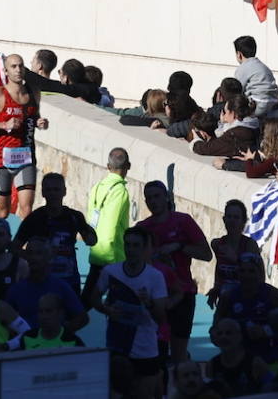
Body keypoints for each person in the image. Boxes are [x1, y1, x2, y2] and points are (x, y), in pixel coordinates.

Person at [136, 180, 211, 362]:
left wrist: (178, 247)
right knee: (154, 353)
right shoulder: (142, 229)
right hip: (154, 297)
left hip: (182, 293)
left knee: (178, 353)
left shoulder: (183, 221)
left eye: (157, 196)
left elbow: (206, 254)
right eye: (149, 198)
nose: (153, 201)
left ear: (167, 198)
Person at [91, 227, 169, 399]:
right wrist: (106, 309)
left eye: (135, 245)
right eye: (128, 245)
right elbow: (94, 299)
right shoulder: (110, 272)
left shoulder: (155, 277)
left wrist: (148, 302)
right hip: (117, 346)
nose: (131, 250)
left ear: (143, 248)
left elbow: (161, 318)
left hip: (145, 349)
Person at [0, 53, 49, 219]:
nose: (18, 70)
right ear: (6, 72)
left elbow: (32, 116)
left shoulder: (33, 92)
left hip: (26, 157)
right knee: (3, 211)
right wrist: (3, 125)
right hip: (3, 159)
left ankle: (21, 244)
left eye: (21, 66)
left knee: (26, 209)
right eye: (13, 67)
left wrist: (40, 122)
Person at [14, 172, 97, 296]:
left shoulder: (74, 216)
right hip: (40, 283)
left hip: (69, 283)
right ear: (43, 193)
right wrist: (34, 258)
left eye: (56, 189)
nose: (53, 194)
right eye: (49, 190)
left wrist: (88, 232)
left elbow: (92, 240)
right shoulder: (34, 219)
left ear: (64, 191)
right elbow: (14, 247)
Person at [5, 238, 88, 333]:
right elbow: (4, 319)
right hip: (27, 345)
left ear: (48, 257)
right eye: (30, 253)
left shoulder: (61, 287)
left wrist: (61, 334)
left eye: (38, 253)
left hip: (55, 347)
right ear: (26, 257)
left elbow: (82, 318)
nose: (33, 257)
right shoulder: (16, 290)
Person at [86, 147, 132, 303]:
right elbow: (112, 224)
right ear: (128, 166)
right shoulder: (120, 191)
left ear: (108, 166)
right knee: (116, 302)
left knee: (86, 300)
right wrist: (115, 261)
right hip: (113, 256)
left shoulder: (97, 186)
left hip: (96, 251)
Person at [205, 318, 269, 397]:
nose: (223, 337)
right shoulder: (211, 365)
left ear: (239, 337)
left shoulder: (256, 364)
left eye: (229, 333)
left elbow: (272, 390)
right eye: (219, 333)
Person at [232, 36, 278, 115]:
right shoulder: (264, 67)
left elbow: (238, 90)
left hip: (257, 104)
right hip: (273, 103)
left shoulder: (242, 68)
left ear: (239, 54)